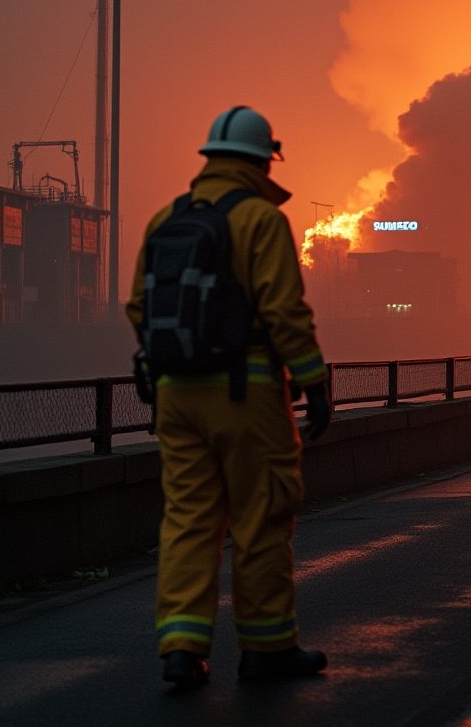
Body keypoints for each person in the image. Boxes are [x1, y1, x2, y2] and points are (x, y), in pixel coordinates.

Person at [127, 106, 332, 689]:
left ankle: (181, 647)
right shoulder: (260, 220)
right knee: (261, 516)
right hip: (247, 396)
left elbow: (139, 309)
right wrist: (313, 382)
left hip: (174, 396)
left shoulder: (165, 219)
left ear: (211, 155)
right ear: (264, 159)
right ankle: (267, 648)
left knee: (189, 520)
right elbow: (284, 311)